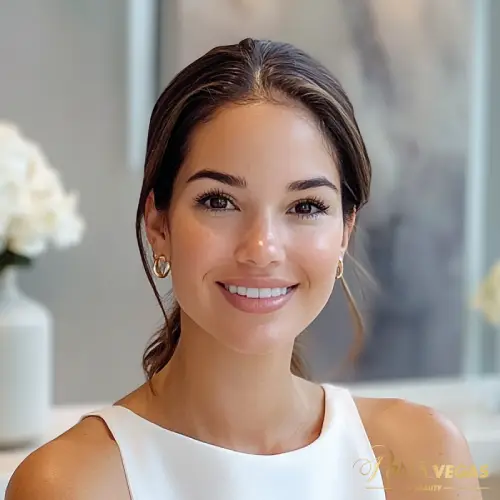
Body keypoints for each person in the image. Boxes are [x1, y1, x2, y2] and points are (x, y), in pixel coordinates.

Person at [6, 38, 481, 500]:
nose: (262, 248)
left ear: (344, 232)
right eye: (219, 201)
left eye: (306, 206)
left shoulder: (422, 457)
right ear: (158, 224)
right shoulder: (70, 485)